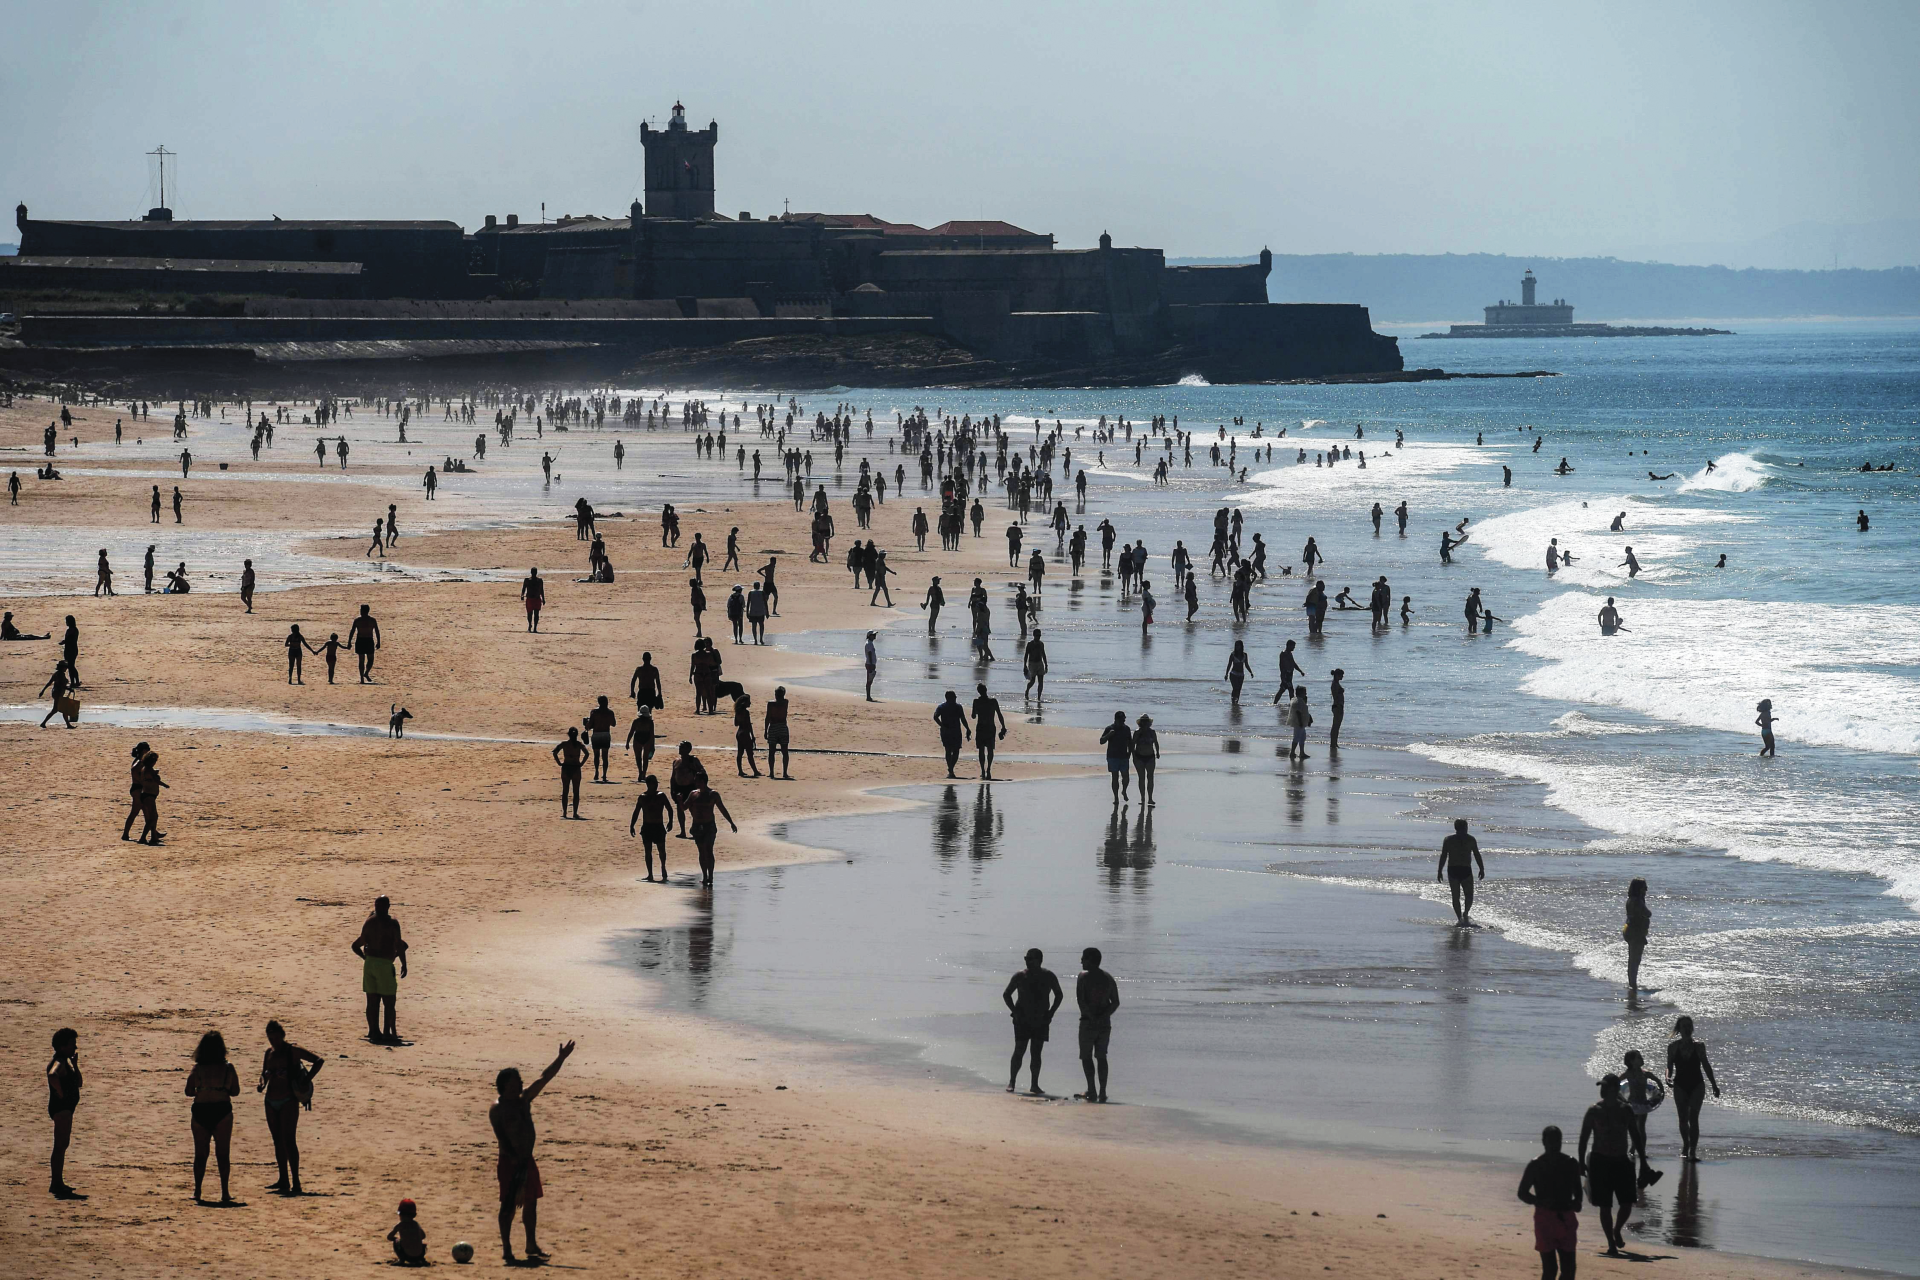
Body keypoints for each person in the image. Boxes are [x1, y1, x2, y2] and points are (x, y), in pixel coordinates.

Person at [492, 1041, 577, 1266]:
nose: (520, 1084)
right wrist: (515, 1160)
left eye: (519, 1082)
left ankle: (531, 1244)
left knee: (531, 1203)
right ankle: (507, 1248)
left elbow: (544, 1078)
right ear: (504, 1086)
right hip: (510, 1162)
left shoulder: (524, 1101)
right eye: (516, 1082)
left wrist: (561, 1059)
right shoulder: (498, 1109)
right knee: (508, 1205)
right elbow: (501, 1138)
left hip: (527, 1161)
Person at [1579, 1074, 1646, 1256]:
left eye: (1605, 1086)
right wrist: (1580, 1162)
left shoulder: (1626, 1110)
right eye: (1601, 1085)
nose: (1601, 1088)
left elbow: (1636, 1136)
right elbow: (1584, 1138)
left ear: (1615, 1089)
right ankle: (1611, 1243)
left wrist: (1644, 1162)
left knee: (1628, 1203)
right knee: (1605, 1205)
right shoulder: (1594, 1110)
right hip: (1599, 1160)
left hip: (1621, 1160)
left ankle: (1617, 1230)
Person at [258, 1019, 323, 1195]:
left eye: (275, 1038)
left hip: (288, 1100)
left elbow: (318, 1060)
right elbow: (263, 1074)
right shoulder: (268, 1053)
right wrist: (262, 1082)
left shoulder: (292, 1050)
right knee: (277, 1140)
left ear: (282, 1035)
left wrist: (306, 1080)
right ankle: (283, 1179)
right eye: (270, 1038)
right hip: (270, 1100)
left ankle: (296, 1181)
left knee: (289, 1140)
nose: (273, 1042)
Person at [1517, 1125, 1583, 1280]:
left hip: (1566, 1217)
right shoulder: (1536, 1164)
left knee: (1569, 1270)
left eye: (1557, 1141)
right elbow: (1522, 1192)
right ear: (1543, 1142)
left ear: (1561, 1142)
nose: (1554, 1144)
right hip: (1544, 1218)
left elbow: (1578, 1191)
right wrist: (1538, 1201)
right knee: (1550, 1269)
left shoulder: (1571, 1163)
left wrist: (1577, 1202)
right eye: (1551, 1141)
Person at [185, 1030, 241, 1204]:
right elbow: (235, 1091)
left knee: (200, 1154)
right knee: (223, 1154)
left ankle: (198, 1191)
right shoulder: (228, 1067)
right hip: (222, 1110)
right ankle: (224, 1192)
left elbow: (188, 1091)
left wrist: (202, 1089)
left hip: (201, 1110)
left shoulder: (198, 1068)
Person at [1002, 949, 1063, 1096]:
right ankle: (1012, 1082)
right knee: (1019, 1050)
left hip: (1041, 1019)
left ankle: (1034, 1084)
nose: (1027, 961)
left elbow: (1059, 995)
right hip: (1022, 1019)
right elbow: (1006, 994)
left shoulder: (1048, 976)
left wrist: (1051, 1013)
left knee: (1036, 1053)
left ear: (1039, 960)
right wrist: (1014, 1011)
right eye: (1026, 958)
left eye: (1030, 959)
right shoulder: (1020, 976)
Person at [351, 896, 409, 1044]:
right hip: (384, 964)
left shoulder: (369, 922)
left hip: (370, 964)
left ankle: (373, 1032)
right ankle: (387, 1033)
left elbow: (356, 945)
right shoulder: (392, 923)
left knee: (372, 1001)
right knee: (389, 1002)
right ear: (388, 906)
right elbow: (399, 944)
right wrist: (403, 963)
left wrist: (366, 958)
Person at [1665, 1016, 1720, 1160]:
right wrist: (1667, 1077)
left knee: (1693, 1117)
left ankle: (1693, 1152)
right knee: (1683, 1118)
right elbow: (1669, 1066)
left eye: (1689, 1026)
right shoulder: (1673, 1047)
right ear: (1679, 1029)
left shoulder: (1699, 1046)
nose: (1687, 1028)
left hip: (1697, 1085)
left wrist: (1714, 1085)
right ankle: (1685, 1145)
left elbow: (1706, 1066)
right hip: (1680, 1085)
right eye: (1684, 1026)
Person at [1075, 947, 1120, 1103]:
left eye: (1083, 958)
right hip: (1104, 1024)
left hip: (1088, 1023)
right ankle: (1102, 1092)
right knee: (1101, 1057)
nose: (1081, 961)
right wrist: (1104, 1015)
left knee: (1087, 1057)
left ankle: (1092, 1090)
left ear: (1090, 960)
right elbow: (1115, 1002)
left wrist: (1092, 1017)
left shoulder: (1083, 977)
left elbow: (1081, 1000)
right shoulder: (1108, 978)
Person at [47, 1027, 83, 1199]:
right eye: (72, 1044)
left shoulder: (66, 1062)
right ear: (62, 1047)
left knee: (63, 1145)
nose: (75, 1048)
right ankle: (56, 1184)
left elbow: (79, 1083)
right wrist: (60, 1093)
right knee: (60, 1146)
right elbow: (52, 1075)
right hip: (61, 1109)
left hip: (65, 1109)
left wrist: (75, 1065)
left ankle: (58, 1182)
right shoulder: (59, 1062)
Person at [683, 782, 737, 886]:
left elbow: (722, 808)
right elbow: (684, 807)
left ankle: (710, 876)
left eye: (697, 779)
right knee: (701, 851)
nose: (695, 781)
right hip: (697, 826)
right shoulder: (693, 794)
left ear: (703, 780)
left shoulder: (713, 794)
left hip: (709, 826)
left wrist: (731, 822)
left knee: (708, 850)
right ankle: (704, 876)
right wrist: (680, 800)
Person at [1437, 818, 1484, 925]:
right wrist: (1439, 871)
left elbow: (1476, 854)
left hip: (1459, 869)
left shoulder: (1456, 840)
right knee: (1461, 895)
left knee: (1463, 896)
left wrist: (1482, 868)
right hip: (1459, 870)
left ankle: (1463, 915)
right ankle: (1461, 917)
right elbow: (1443, 856)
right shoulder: (1456, 840)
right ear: (1463, 828)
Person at [629, 775, 673, 881]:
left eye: (657, 783)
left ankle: (663, 867)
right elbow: (636, 812)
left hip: (658, 826)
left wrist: (671, 821)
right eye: (654, 783)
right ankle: (650, 874)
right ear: (648, 784)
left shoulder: (661, 795)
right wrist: (632, 825)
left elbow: (670, 809)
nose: (657, 785)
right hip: (647, 826)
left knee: (661, 850)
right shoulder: (642, 797)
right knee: (647, 851)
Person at [971, 683, 1009, 779]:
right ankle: (989, 770)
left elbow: (973, 716)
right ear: (986, 690)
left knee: (981, 750)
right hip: (990, 727)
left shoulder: (976, 701)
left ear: (978, 691)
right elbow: (999, 715)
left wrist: (977, 710)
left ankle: (983, 771)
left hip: (980, 727)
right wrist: (1003, 726)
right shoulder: (993, 701)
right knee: (990, 749)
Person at [933, 690, 970, 778]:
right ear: (951, 698)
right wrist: (967, 729)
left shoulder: (942, 707)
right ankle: (951, 769)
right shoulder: (957, 707)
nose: (955, 699)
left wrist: (942, 726)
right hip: (955, 731)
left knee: (949, 750)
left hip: (947, 731)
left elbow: (935, 717)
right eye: (954, 697)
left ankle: (950, 769)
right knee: (954, 751)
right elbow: (963, 719)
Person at [1098, 711, 1133, 804]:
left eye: (1124, 719)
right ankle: (1116, 797)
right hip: (1112, 756)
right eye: (1122, 720)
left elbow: (1130, 742)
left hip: (1124, 756)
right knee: (1115, 777)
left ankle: (1124, 790)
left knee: (1126, 777)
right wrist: (1109, 734)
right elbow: (1101, 741)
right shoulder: (1109, 728)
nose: (1123, 721)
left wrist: (1130, 753)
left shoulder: (1127, 729)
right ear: (1116, 719)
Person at [1623, 878, 1651, 992]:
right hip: (1636, 932)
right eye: (1644, 887)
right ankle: (1633, 985)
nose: (1646, 890)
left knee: (1632, 959)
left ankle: (1632, 983)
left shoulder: (1630, 899)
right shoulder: (1638, 901)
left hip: (1629, 930)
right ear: (1639, 889)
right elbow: (1648, 913)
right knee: (1635, 960)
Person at [552, 727, 587, 818]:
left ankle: (564, 812)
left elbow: (554, 752)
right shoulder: (579, 744)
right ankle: (575, 813)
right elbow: (587, 754)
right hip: (576, 768)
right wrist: (581, 763)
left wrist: (559, 763)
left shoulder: (564, 744)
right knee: (576, 792)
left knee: (565, 791)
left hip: (566, 768)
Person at [586, 696, 618, 782]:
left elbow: (589, 725)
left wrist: (587, 724)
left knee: (596, 755)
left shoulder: (594, 712)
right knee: (605, 756)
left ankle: (596, 772)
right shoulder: (610, 712)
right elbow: (613, 724)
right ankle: (604, 774)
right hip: (605, 734)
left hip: (596, 734)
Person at [388, 1198, 428, 1266]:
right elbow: (423, 1236)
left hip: (406, 1256)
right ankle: (421, 1259)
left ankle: (401, 1260)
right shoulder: (416, 1224)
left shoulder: (400, 1225)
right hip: (419, 1255)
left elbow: (389, 1237)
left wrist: (396, 1239)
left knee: (396, 1241)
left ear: (400, 1214)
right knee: (423, 1245)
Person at [764, 686, 792, 779]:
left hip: (773, 727)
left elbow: (768, 717)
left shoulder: (771, 704)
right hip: (783, 727)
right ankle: (784, 772)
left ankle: (772, 772)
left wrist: (765, 730)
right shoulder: (785, 702)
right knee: (785, 751)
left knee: (772, 751)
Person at [1131, 715, 1160, 806]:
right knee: (1141, 778)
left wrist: (1157, 752)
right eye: (1143, 722)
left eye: (1146, 722)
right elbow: (1132, 745)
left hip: (1150, 757)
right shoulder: (1137, 732)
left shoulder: (1152, 732)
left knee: (1150, 777)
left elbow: (1156, 742)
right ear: (1140, 723)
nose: (1145, 723)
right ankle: (1142, 798)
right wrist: (1133, 756)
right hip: (1139, 757)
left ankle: (1150, 798)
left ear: (1149, 723)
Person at [347, 604, 381, 682]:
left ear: (363, 611)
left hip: (366, 640)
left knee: (368, 659)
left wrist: (378, 641)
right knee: (364, 660)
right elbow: (352, 631)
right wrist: (349, 641)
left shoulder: (368, 620)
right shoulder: (361, 620)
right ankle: (362, 677)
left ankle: (365, 674)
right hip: (363, 640)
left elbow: (376, 631)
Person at [1284, 686, 1312, 761]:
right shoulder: (1298, 701)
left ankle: (1302, 752)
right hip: (1298, 723)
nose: (1305, 693)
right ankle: (1292, 752)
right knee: (1296, 737)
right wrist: (1300, 722)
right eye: (1304, 692)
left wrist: (1309, 719)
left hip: (1301, 723)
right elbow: (1298, 712)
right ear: (1300, 693)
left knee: (1302, 737)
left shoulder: (1300, 700)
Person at [1022, 628, 1049, 701]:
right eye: (1037, 635)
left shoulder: (1041, 644)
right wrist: (1024, 665)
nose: (1038, 637)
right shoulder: (1030, 644)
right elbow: (1026, 655)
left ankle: (1039, 698)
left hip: (1040, 663)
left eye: (1039, 636)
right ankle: (1027, 690)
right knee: (1032, 681)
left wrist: (1046, 665)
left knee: (1041, 681)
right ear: (1034, 635)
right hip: (1032, 664)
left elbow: (1043, 654)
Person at [1328, 668, 1345, 753]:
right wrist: (1339, 706)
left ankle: (1335, 743)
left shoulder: (1336, 683)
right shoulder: (1334, 684)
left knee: (1337, 727)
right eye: (1341, 675)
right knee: (1335, 726)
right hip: (1337, 706)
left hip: (1339, 706)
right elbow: (1335, 696)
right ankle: (1333, 743)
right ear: (1337, 675)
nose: (1342, 677)